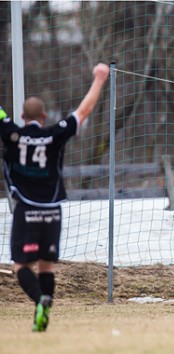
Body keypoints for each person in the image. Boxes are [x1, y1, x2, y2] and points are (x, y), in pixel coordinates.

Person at [1, 63, 109, 332]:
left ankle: (40, 300)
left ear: (23, 115)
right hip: (53, 211)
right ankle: (45, 310)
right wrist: (99, 78)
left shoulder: (13, 134)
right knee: (46, 266)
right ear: (44, 115)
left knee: (21, 266)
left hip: (27, 209)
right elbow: (83, 112)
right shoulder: (54, 134)